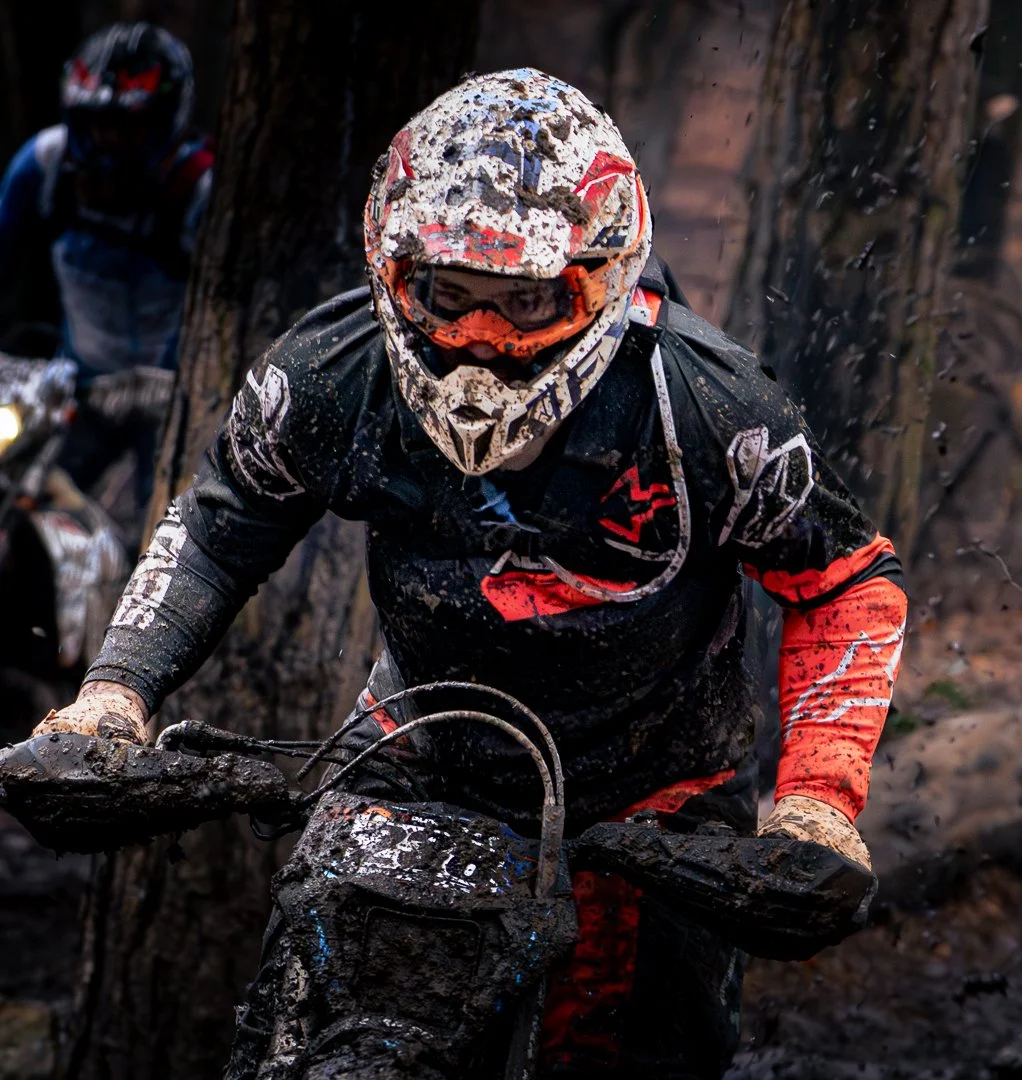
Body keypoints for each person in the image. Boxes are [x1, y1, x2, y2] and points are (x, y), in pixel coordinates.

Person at [33, 69, 907, 1078]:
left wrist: (816, 802)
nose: (482, 341)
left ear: (596, 276)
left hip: (649, 800)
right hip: (414, 755)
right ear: (398, 271)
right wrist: (109, 699)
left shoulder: (702, 407)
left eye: (523, 300)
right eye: (451, 296)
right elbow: (220, 523)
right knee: (306, 1031)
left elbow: (845, 580)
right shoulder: (335, 370)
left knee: (630, 1054)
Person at [0, 22, 212, 520]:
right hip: (82, 386)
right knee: (22, 502)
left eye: (127, 127)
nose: (108, 143)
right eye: (97, 126)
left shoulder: (199, 189)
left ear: (164, 122)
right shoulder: (45, 164)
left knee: (167, 526)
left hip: (172, 398)